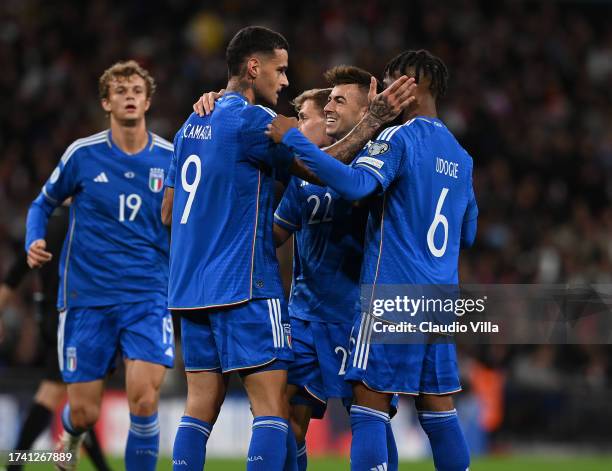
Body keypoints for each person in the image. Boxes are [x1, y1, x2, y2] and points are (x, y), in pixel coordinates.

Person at [163, 26, 415, 471]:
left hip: (188, 287)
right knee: (273, 406)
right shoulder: (253, 120)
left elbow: (167, 210)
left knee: (199, 404)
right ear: (253, 67)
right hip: (243, 283)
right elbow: (319, 169)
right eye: (279, 71)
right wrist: (373, 120)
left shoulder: (191, 122)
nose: (284, 82)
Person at [267, 49, 477, 471]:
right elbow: (467, 231)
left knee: (369, 406)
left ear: (410, 86)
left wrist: (293, 140)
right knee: (438, 409)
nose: (384, 90)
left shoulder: (398, 138)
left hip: (390, 295)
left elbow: (358, 184)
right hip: (439, 298)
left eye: (391, 80)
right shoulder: (461, 156)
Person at [25, 60, 174, 471]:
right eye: (120, 90)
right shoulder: (82, 155)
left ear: (147, 101)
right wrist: (33, 239)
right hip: (87, 299)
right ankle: (71, 433)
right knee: (86, 413)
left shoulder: (170, 157)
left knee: (144, 399)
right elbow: (42, 203)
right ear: (106, 101)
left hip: (147, 295)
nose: (129, 96)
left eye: (136, 91)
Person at [272, 67, 398, 471]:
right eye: (326, 102)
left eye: (338, 100)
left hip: (355, 315)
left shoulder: (376, 162)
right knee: (287, 417)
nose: (328, 107)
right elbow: (274, 234)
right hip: (304, 316)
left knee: (370, 415)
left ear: (366, 109)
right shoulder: (306, 179)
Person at [1, 206, 111, 471]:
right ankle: (15, 465)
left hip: (48, 319)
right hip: (76, 321)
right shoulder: (84, 223)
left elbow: (14, 276)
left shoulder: (42, 226)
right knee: (57, 395)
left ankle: (54, 462)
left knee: (79, 402)